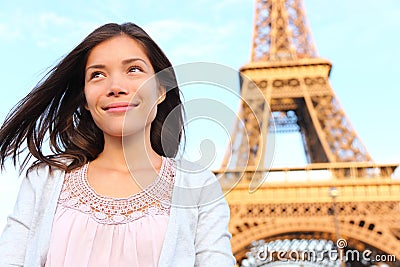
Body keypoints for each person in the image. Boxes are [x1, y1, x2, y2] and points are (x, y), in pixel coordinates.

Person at [0, 22, 235, 266]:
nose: (116, 87)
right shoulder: (45, 179)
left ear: (161, 90)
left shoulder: (197, 185)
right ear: (86, 101)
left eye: (133, 69)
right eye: (97, 75)